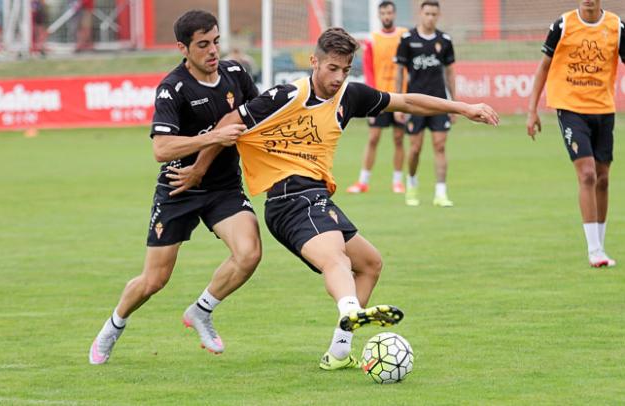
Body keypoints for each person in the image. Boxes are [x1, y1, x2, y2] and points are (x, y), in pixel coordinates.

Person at [168, 28, 498, 369]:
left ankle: (340, 350)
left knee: (370, 264)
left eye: (346, 69)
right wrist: (197, 171)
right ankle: (350, 311)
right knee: (337, 260)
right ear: (315, 62)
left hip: (317, 198)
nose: (339, 77)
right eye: (332, 69)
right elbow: (227, 124)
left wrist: (463, 107)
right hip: (287, 199)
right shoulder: (286, 95)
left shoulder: (350, 97)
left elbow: (408, 101)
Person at [89, 10, 262, 365]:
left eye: (215, 41)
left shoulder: (236, 74)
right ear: (183, 48)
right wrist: (214, 136)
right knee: (154, 281)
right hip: (178, 189)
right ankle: (113, 325)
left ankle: (202, 310)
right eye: (203, 44)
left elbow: (257, 118)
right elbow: (161, 149)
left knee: (249, 253)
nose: (213, 51)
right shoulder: (173, 88)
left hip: (223, 187)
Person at [527, 0, 624, 268]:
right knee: (588, 174)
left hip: (604, 109)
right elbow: (544, 67)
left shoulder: (616, 26)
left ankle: (601, 246)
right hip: (571, 108)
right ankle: (593, 250)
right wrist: (532, 109)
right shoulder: (563, 24)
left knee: (603, 178)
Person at [395, 0, 456, 207]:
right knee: (415, 148)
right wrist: (397, 102)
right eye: (427, 13)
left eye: (434, 14)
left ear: (438, 16)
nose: (430, 18)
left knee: (440, 146)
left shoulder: (444, 40)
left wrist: (454, 104)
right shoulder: (407, 39)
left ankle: (441, 193)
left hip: (439, 102)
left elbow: (450, 73)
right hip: (414, 104)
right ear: (420, 14)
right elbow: (399, 72)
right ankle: (411, 183)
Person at [347, 1, 408, 194]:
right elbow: (369, 70)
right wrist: (371, 102)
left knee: (399, 139)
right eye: (383, 13)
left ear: (394, 14)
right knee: (373, 138)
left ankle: (397, 181)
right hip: (379, 97)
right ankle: (363, 181)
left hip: (400, 97)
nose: (386, 16)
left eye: (389, 13)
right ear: (379, 16)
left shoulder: (404, 36)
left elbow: (407, 69)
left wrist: (405, 99)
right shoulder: (372, 40)